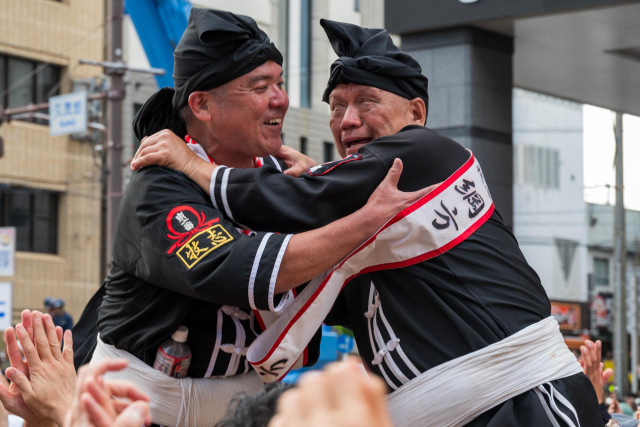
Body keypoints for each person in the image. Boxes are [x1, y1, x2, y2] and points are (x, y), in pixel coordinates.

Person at [133, 18, 603, 426]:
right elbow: (310, 254)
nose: (347, 121)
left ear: (415, 113)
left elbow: (304, 201)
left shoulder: (423, 153)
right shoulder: (363, 215)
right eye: (337, 107)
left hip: (520, 405)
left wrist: (199, 169)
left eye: (367, 102)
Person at [72, 9, 429, 427]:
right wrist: (365, 220)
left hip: (241, 409)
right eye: (261, 87)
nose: (280, 99)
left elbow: (345, 291)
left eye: (280, 82)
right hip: (136, 409)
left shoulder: (282, 176)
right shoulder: (159, 186)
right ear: (202, 105)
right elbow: (236, 267)